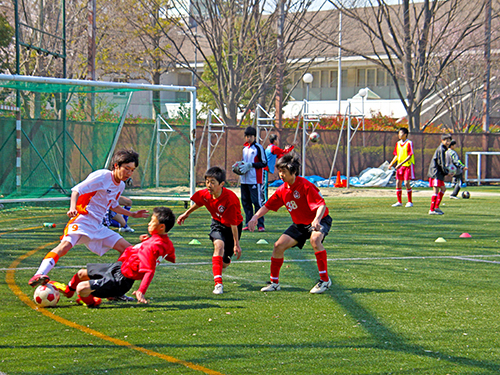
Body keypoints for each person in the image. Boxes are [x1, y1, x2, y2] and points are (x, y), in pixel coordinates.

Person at [28, 149, 149, 287]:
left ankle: (115, 288)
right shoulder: (103, 176)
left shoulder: (120, 185)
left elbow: (113, 205)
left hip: (98, 226)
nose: (129, 173)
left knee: (129, 251)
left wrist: (132, 214)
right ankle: (39, 274)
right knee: (65, 246)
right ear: (116, 165)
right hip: (83, 220)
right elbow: (76, 190)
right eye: (127, 168)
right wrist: (72, 208)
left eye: (132, 170)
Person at [52, 207, 176, 307]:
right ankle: (69, 292)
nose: (148, 224)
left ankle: (92, 302)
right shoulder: (165, 243)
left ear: (161, 227)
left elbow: (149, 270)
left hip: (121, 280)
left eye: (152, 222)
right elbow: (170, 255)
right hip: (119, 267)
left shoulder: (151, 247)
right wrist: (146, 242)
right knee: (80, 274)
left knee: (81, 288)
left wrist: (141, 291)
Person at [247, 153, 332, 294]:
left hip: (320, 219)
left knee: (315, 240)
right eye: (279, 171)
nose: (281, 174)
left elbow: (321, 205)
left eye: (284, 172)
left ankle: (324, 280)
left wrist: (316, 219)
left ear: (293, 172)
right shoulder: (282, 190)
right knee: (278, 246)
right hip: (299, 224)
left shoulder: (305, 185)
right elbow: (268, 205)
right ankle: (274, 283)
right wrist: (255, 217)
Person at [177, 167, 243, 295]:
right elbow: (200, 202)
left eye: (213, 182)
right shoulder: (205, 194)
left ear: (221, 184)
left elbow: (233, 224)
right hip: (217, 223)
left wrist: (236, 244)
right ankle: (218, 284)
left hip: (232, 227)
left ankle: (221, 266)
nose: (209, 185)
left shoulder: (230, 200)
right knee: (219, 245)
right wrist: (186, 214)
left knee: (224, 263)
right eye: (207, 182)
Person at [239, 126, 267, 232]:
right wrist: (238, 167)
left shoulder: (258, 148)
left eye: (251, 136)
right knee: (246, 202)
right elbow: (243, 163)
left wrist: (251, 165)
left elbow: (264, 163)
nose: (248, 138)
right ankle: (248, 223)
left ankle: (260, 224)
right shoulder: (244, 149)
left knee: (257, 202)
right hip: (244, 180)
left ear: (254, 137)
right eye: (247, 136)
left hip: (255, 180)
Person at [388, 127, 415, 207]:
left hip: (407, 165)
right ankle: (399, 202)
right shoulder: (398, 143)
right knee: (398, 183)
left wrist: (401, 163)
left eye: (401, 133)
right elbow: (396, 155)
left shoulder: (409, 143)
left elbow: (410, 155)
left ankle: (410, 202)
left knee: (406, 183)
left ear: (405, 134)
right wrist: (391, 163)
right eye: (399, 133)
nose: (399, 135)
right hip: (400, 167)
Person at [264, 134, 295, 201]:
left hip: (265, 168)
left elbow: (280, 155)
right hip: (265, 168)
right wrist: (291, 147)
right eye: (277, 139)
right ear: (275, 140)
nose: (278, 141)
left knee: (264, 185)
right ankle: (265, 201)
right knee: (264, 185)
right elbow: (284, 152)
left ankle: (264, 200)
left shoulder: (270, 147)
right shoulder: (273, 148)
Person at [428, 134, 452, 215]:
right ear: (442, 141)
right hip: (436, 173)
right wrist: (446, 172)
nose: (448, 142)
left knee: (443, 189)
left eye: (449, 140)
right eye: (446, 140)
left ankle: (436, 207)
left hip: (439, 173)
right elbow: (441, 162)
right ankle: (432, 209)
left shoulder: (444, 149)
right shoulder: (441, 149)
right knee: (436, 190)